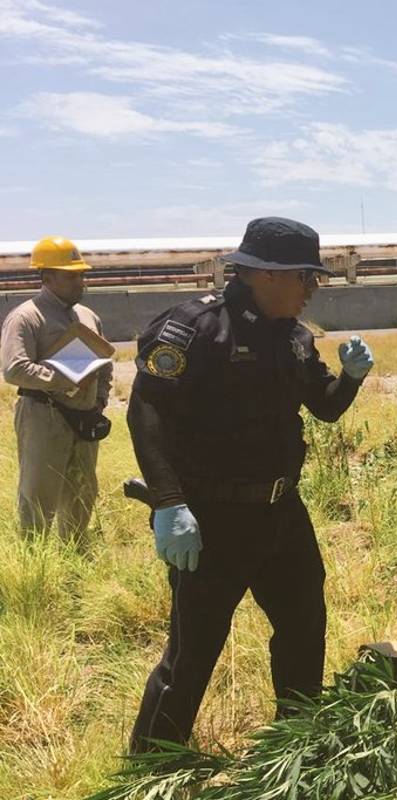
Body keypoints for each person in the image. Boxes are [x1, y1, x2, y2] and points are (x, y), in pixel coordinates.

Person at [127, 217, 375, 752]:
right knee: (194, 649)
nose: (313, 290)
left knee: (304, 627)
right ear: (265, 275)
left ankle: (296, 743)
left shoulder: (293, 338)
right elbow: (146, 413)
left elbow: (325, 408)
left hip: (282, 514)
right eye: (306, 278)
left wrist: (350, 378)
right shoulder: (194, 328)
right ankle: (150, 765)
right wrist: (169, 503)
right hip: (211, 520)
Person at [0, 236, 112, 541]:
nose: (80, 282)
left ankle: (74, 562)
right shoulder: (26, 317)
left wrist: (99, 400)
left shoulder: (88, 317)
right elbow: (14, 369)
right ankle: (35, 567)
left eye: (81, 275)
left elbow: (104, 365)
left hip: (85, 414)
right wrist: (68, 377)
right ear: (46, 278)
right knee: (39, 497)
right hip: (42, 417)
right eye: (70, 276)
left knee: (82, 495)